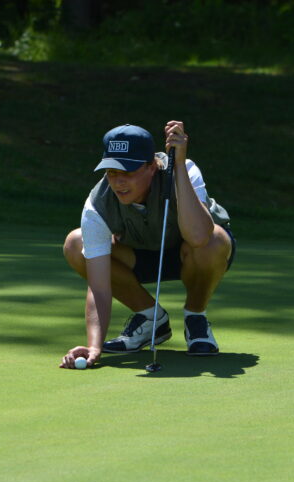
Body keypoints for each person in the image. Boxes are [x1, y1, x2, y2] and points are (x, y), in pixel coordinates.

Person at [60, 121, 235, 369]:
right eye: (111, 172)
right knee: (76, 243)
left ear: (152, 166)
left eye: (128, 172)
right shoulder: (98, 203)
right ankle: (152, 319)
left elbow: (199, 237)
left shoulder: (184, 170)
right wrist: (94, 346)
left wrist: (179, 168)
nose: (118, 182)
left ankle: (195, 318)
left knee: (214, 238)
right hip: (140, 257)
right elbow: (99, 286)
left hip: (196, 254)